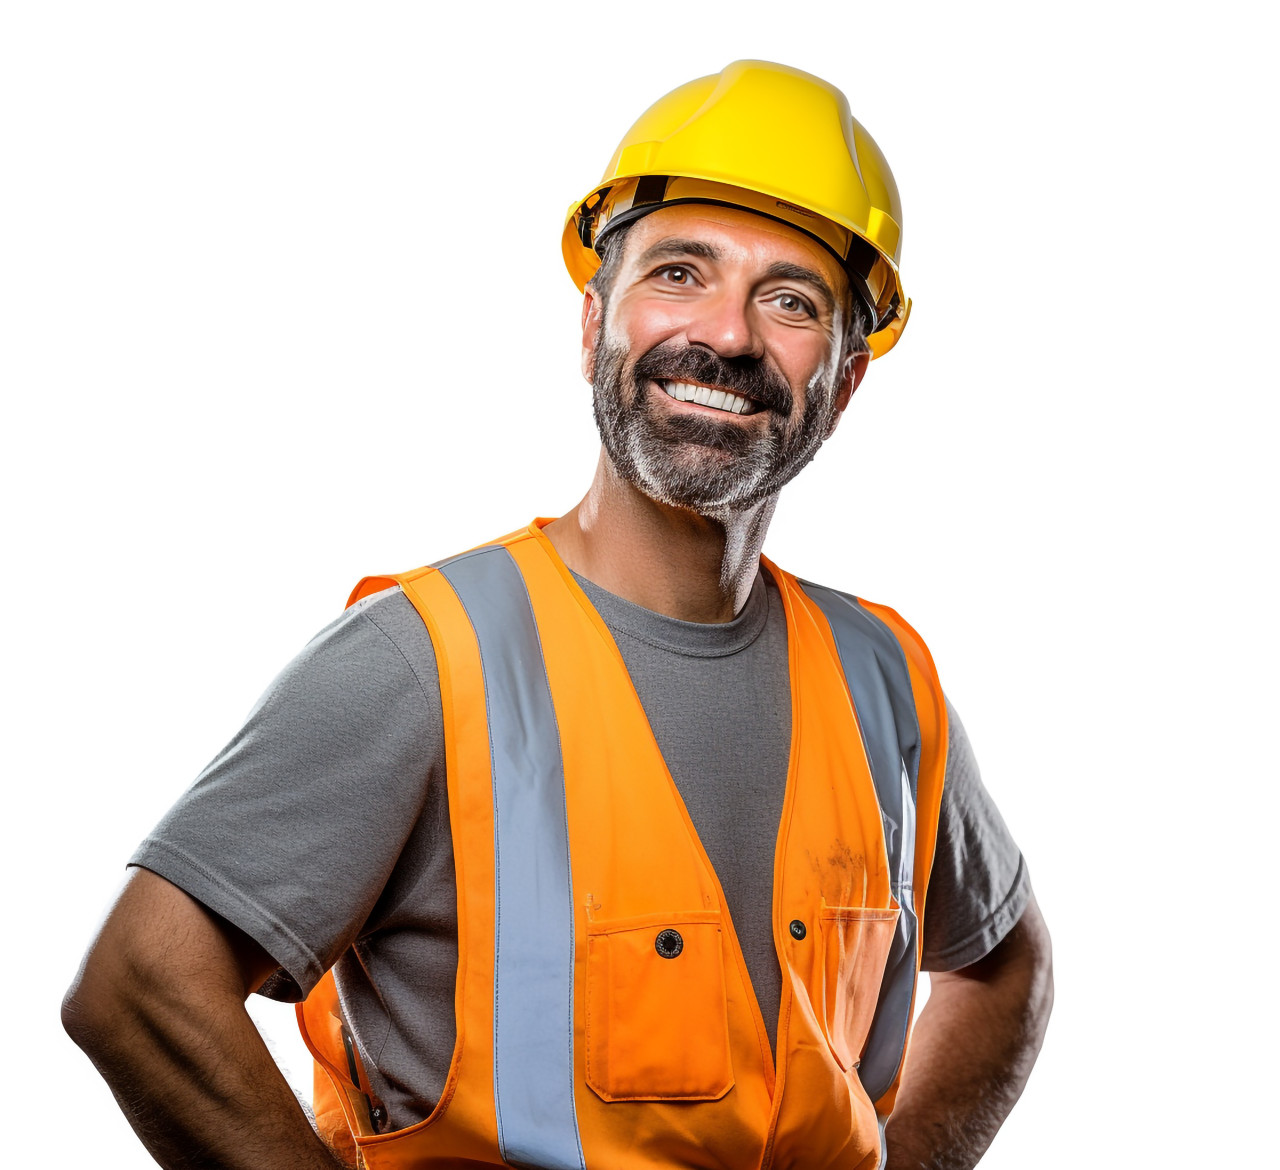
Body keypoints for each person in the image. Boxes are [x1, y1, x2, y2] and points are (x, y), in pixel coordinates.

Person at [63, 60, 1052, 1169]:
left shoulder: (885, 682)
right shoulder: (426, 659)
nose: (728, 334)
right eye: (678, 272)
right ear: (592, 325)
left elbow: (1005, 967)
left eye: (790, 301)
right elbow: (139, 986)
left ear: (845, 382)